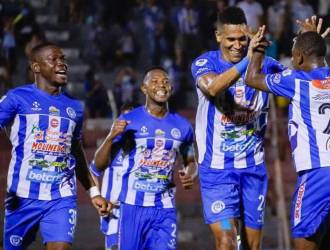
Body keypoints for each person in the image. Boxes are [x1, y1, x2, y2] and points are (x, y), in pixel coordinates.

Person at [244, 23, 330, 249]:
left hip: (320, 173)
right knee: (327, 244)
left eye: (293, 56)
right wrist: (312, 40)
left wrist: (259, 49)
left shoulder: (297, 81)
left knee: (303, 245)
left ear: (299, 58)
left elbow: (252, 79)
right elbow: (321, 68)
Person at [190, 6, 285, 250]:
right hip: (217, 172)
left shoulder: (268, 65)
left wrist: (311, 46)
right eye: (230, 39)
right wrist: (247, 60)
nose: (237, 44)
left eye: (242, 39)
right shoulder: (205, 63)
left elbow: (301, 82)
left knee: (252, 246)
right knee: (226, 240)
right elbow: (212, 88)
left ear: (250, 34)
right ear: (218, 36)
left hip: (253, 170)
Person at [0, 43, 111, 250]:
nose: (62, 63)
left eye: (63, 59)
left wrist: (94, 192)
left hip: (60, 197)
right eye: (54, 59)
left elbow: (76, 154)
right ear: (36, 67)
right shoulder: (17, 98)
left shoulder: (74, 108)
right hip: (22, 196)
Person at [93, 66, 197, 250]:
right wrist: (110, 136)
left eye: (166, 81)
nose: (162, 85)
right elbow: (99, 164)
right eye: (155, 81)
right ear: (144, 89)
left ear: (171, 88)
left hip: (164, 208)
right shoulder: (130, 120)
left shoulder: (182, 126)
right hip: (132, 207)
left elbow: (190, 160)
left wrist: (190, 174)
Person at [89, 103, 134, 250]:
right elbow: (92, 172)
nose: (127, 123)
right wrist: (97, 196)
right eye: (124, 118)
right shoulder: (111, 147)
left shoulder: (148, 148)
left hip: (141, 214)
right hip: (115, 215)